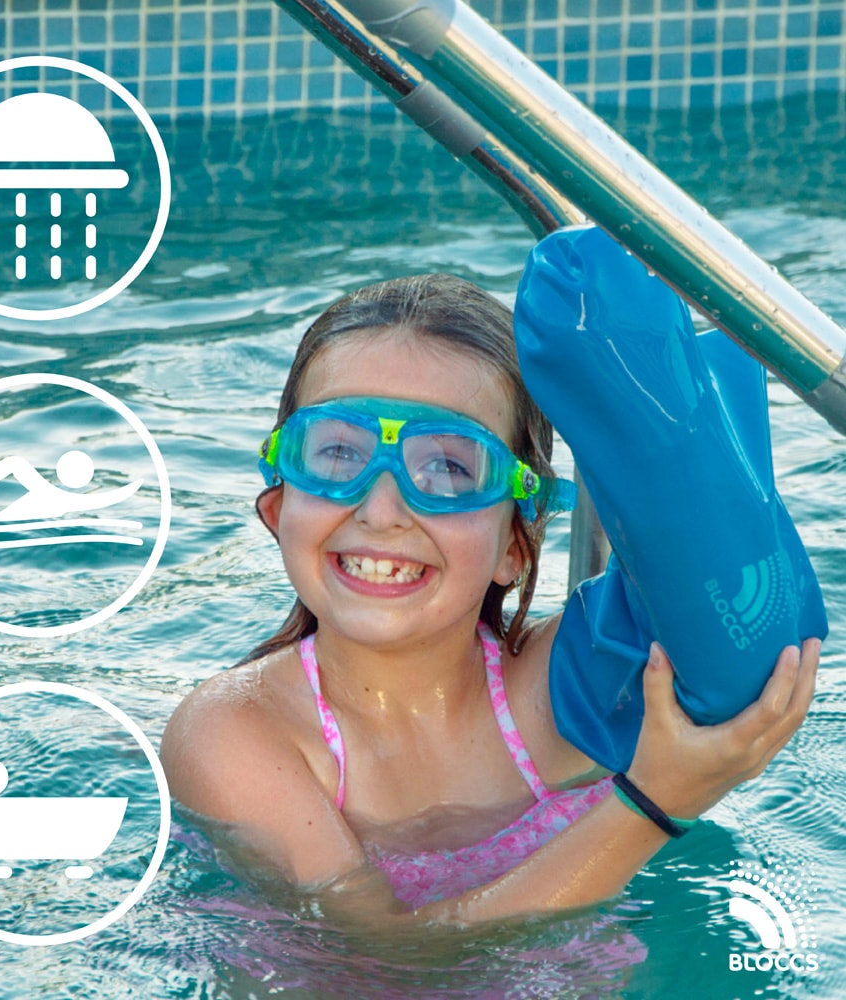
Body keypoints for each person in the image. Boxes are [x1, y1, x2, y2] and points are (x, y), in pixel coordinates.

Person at [160, 268, 819, 925]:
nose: (382, 509)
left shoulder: (557, 700)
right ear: (278, 507)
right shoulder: (236, 733)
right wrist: (655, 803)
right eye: (336, 454)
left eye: (448, 467)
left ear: (515, 543)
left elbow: (742, 635)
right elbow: (381, 961)